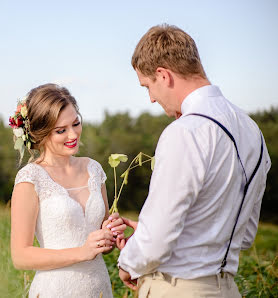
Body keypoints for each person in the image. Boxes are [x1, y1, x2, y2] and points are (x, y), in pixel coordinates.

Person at [116, 24, 271, 297]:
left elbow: (155, 243)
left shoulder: (185, 132)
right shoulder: (253, 131)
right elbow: (244, 235)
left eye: (148, 86)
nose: (151, 98)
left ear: (163, 75)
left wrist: (129, 261)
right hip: (228, 289)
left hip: (178, 289)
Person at [10, 83, 126, 298]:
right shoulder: (30, 178)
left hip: (98, 287)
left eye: (76, 123)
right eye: (61, 130)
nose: (73, 134)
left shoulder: (94, 169)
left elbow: (101, 242)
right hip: (55, 290)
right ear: (41, 133)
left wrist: (111, 232)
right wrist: (82, 252)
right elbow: (20, 256)